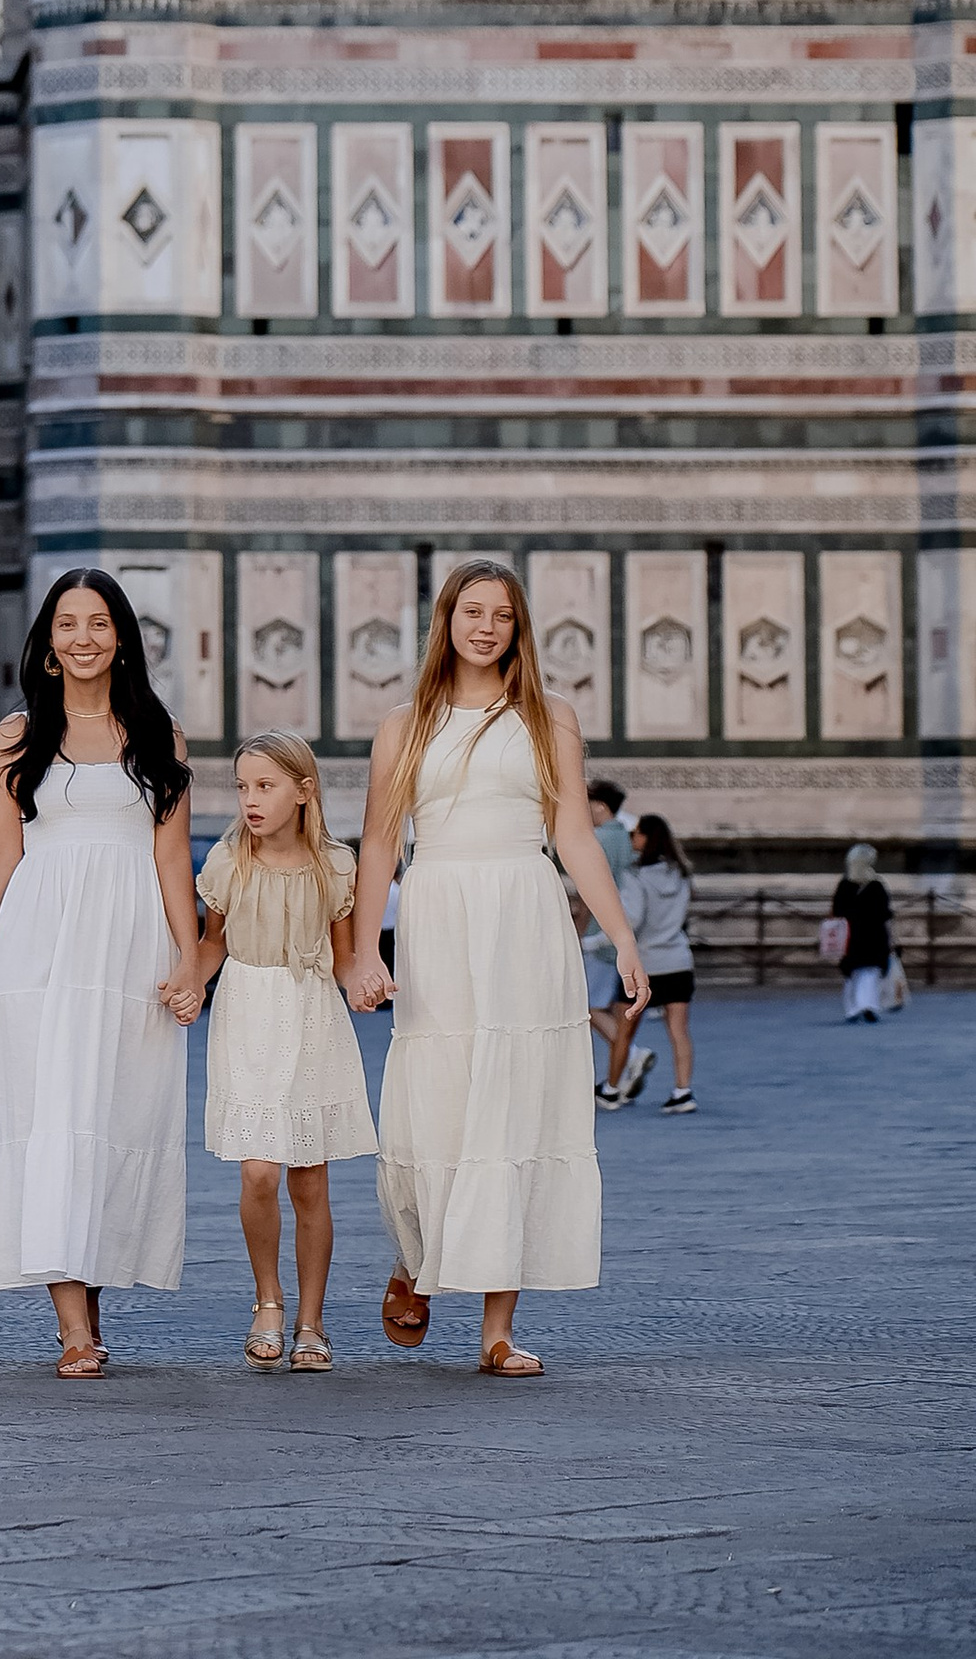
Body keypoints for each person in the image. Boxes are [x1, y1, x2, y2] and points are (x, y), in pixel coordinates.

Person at [348, 559, 648, 1379]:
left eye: (503, 616)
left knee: (516, 1105)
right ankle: (417, 1255)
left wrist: (620, 936)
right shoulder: (403, 724)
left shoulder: (550, 718)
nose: (486, 627)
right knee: (438, 1099)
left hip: (525, 912)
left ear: (520, 630)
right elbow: (378, 841)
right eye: (472, 611)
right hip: (437, 909)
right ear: (445, 621)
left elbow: (574, 836)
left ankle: (497, 1330)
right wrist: (364, 947)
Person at [0, 567, 202, 1378]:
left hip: (132, 949)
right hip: (41, 942)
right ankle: (72, 1327)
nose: (84, 637)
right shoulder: (17, 736)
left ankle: (92, 1309)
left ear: (122, 637)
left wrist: (191, 957)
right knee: (51, 1115)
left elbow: (171, 860)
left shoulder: (160, 736)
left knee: (116, 1116)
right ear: (49, 642)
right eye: (68, 624)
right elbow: (0, 853)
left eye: (99, 623)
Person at [186, 731, 376, 1376]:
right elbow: (212, 943)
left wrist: (365, 985)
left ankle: (311, 1323)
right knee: (258, 1172)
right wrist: (190, 982)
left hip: (312, 1013)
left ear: (303, 790)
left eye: (265, 786)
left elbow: (346, 957)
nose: (251, 800)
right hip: (247, 1011)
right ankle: (268, 1300)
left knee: (310, 1178)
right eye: (242, 787)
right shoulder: (225, 861)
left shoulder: (336, 865)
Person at [601, 813, 696, 1113]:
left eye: (635, 834)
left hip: (645, 962)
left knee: (624, 1030)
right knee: (679, 1031)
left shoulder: (635, 875)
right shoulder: (681, 873)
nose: (632, 839)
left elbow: (634, 919)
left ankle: (612, 1089)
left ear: (645, 838)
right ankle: (682, 1091)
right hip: (678, 958)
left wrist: (600, 940)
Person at [576, 777, 636, 1093]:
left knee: (588, 1004)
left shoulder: (597, 838)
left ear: (599, 806)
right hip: (624, 929)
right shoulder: (626, 838)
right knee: (615, 1005)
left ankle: (631, 1055)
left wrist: (581, 927)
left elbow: (590, 891)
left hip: (599, 933)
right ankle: (622, 1073)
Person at [830, 843, 894, 1022]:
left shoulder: (844, 886)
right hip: (874, 935)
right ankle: (867, 1005)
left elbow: (836, 912)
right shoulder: (877, 886)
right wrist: (892, 939)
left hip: (850, 935)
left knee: (853, 973)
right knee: (870, 973)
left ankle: (852, 1008)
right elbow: (885, 915)